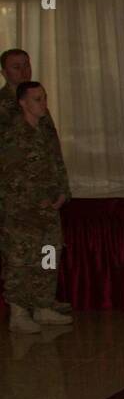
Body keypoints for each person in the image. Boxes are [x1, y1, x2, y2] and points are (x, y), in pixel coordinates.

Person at [1, 82, 72, 333]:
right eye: (36, 99)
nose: (43, 104)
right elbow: (10, 176)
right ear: (22, 102)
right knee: (21, 260)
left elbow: (57, 163)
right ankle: (19, 311)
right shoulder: (13, 134)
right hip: (21, 212)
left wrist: (62, 192)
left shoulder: (44, 130)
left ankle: (43, 305)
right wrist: (35, 199)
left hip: (48, 209)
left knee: (49, 255)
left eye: (44, 98)